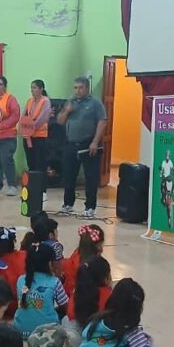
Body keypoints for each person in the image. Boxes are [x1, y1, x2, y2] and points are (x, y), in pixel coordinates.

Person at [57, 77, 107, 219]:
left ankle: (90, 207)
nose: (77, 91)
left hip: (88, 144)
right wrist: (67, 111)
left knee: (90, 178)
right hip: (71, 144)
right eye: (75, 88)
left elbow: (102, 121)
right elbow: (60, 121)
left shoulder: (95, 103)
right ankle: (68, 205)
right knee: (68, 176)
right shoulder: (70, 102)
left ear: (86, 88)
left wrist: (95, 142)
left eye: (80, 87)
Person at [13, 243, 69, 338]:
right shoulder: (54, 282)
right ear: (49, 263)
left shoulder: (20, 280)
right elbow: (66, 307)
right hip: (46, 334)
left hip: (20, 332)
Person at [20, 79, 51, 175]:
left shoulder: (45, 101)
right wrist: (23, 129)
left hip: (40, 137)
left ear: (41, 89)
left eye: (34, 88)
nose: (32, 90)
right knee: (31, 162)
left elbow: (42, 119)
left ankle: (42, 188)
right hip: (28, 137)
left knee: (40, 164)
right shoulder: (30, 101)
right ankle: (33, 186)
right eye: (31, 88)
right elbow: (24, 116)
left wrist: (30, 128)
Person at [63, 223, 104, 296]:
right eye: (101, 244)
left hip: (69, 292)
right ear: (98, 245)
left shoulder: (77, 252)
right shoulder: (93, 265)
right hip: (83, 297)